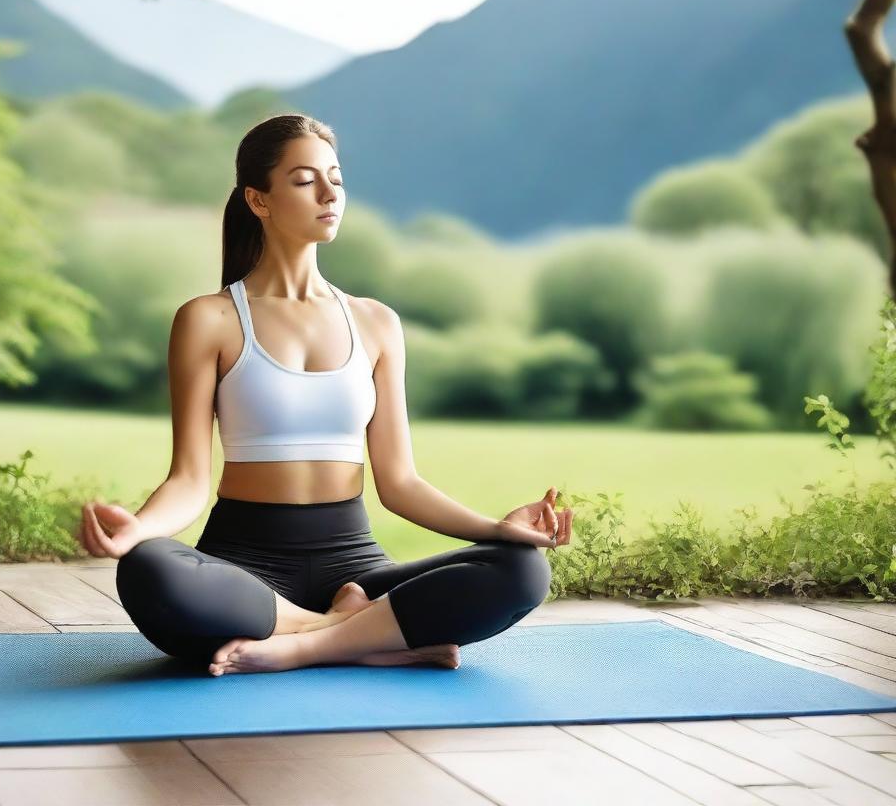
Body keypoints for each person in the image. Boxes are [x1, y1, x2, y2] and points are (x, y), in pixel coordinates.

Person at [77, 113, 574, 677]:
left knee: (522, 570)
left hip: (355, 564)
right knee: (147, 568)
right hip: (244, 568)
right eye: (303, 179)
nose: (328, 192)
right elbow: (189, 479)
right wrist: (137, 529)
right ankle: (359, 635)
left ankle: (300, 645)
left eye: (335, 178)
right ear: (258, 200)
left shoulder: (376, 323)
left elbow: (401, 484)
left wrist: (497, 529)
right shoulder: (208, 320)